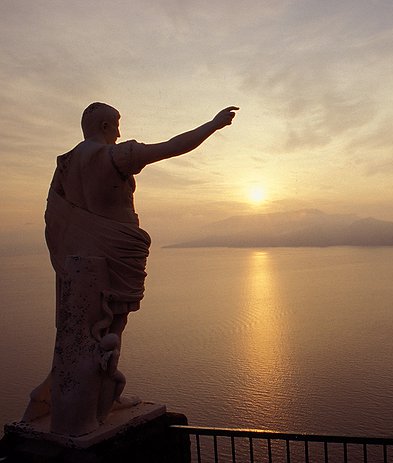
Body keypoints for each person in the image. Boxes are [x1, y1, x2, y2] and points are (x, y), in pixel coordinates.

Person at [23, 103, 238, 427]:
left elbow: (55, 219)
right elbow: (172, 147)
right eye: (118, 125)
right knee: (112, 327)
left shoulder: (65, 164)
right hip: (115, 252)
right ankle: (100, 400)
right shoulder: (113, 156)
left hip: (82, 257)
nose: (120, 133)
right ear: (107, 124)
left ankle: (95, 396)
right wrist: (213, 125)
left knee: (87, 327)